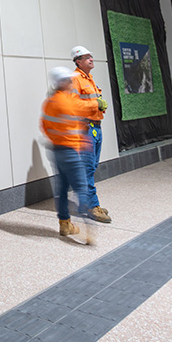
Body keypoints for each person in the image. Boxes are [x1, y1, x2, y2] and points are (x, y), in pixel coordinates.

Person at [41, 66, 100, 243]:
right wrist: (97, 103)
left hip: (57, 150)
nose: (72, 82)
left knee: (62, 188)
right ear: (63, 82)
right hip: (72, 151)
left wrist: (57, 137)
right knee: (81, 187)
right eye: (70, 80)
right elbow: (84, 106)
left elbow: (43, 126)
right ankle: (90, 230)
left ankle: (65, 224)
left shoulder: (49, 102)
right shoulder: (67, 101)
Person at [70, 45, 111, 223]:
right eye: (87, 57)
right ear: (78, 61)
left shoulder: (89, 79)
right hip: (84, 129)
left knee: (91, 167)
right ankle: (93, 206)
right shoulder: (75, 79)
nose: (91, 59)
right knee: (87, 169)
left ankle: (84, 204)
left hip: (95, 127)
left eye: (91, 56)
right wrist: (96, 105)